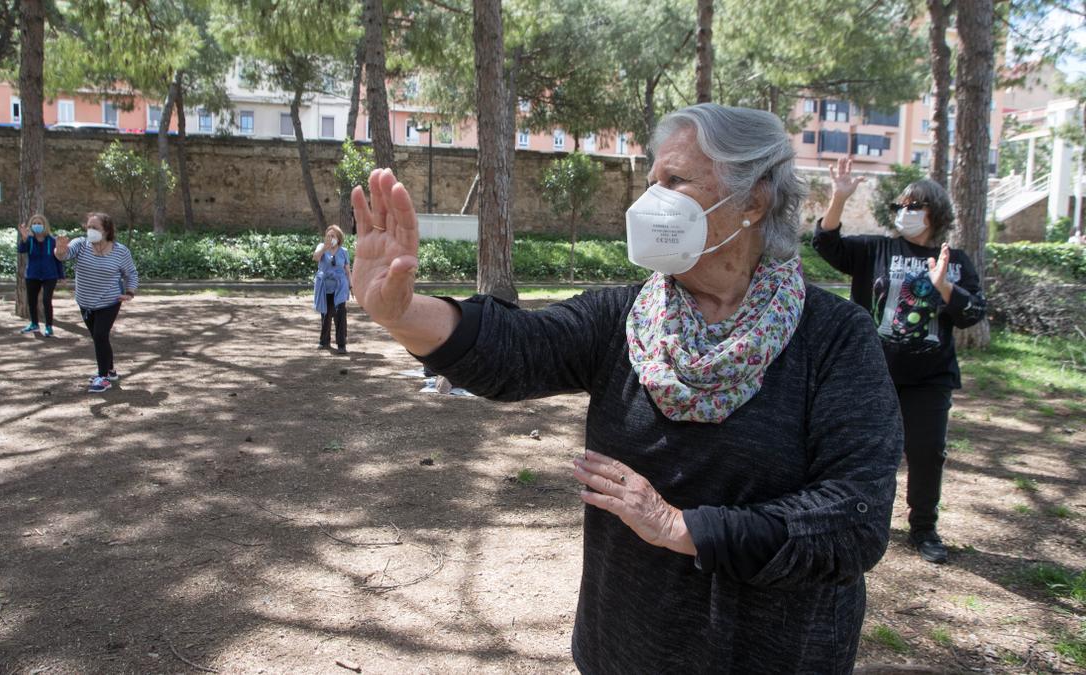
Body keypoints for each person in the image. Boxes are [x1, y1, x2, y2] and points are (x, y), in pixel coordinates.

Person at [350, 104, 904, 673]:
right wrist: (404, 313)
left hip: (773, 654)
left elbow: (853, 519)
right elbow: (519, 348)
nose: (647, 203)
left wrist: (681, 526)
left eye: (675, 181)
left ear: (753, 202)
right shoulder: (627, 318)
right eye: (649, 183)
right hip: (626, 648)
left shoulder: (834, 336)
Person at [813, 157, 987, 565]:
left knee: (927, 452)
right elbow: (826, 244)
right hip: (870, 374)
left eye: (914, 207)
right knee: (857, 451)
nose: (905, 214)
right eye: (901, 207)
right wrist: (839, 198)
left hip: (929, 379)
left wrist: (944, 286)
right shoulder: (876, 248)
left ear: (935, 214)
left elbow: (973, 313)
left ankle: (924, 527)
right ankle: (853, 516)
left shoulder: (955, 260)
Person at [54, 212, 139, 393]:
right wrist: (60, 251)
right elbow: (64, 255)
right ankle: (110, 370)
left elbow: (131, 273)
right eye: (89, 227)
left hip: (110, 301)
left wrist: (130, 292)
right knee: (99, 337)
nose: (90, 231)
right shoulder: (81, 244)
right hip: (85, 302)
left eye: (95, 228)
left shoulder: (120, 251)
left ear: (107, 230)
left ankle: (103, 378)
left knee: (100, 335)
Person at [17, 214, 64, 337]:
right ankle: (34, 324)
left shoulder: (52, 240)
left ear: (45, 225)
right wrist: (24, 238)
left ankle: (49, 327)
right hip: (32, 274)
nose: (37, 225)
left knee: (46, 300)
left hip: (50, 275)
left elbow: (58, 258)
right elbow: (21, 250)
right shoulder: (30, 240)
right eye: (34, 223)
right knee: (32, 301)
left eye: (39, 223)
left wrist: (61, 276)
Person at [312, 224, 351, 354]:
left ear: (338, 238)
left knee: (340, 313)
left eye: (333, 236)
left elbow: (347, 270)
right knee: (326, 314)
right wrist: (324, 248)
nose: (330, 238)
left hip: (340, 286)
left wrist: (351, 286)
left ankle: (341, 344)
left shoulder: (344, 251)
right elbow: (315, 258)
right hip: (324, 286)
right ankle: (324, 341)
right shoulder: (321, 247)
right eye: (328, 236)